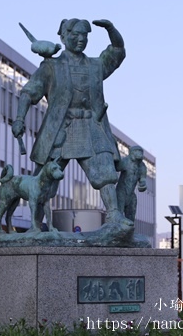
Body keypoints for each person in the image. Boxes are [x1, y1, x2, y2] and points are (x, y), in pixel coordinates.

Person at [11, 18, 128, 225]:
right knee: (43, 181)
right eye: (75, 35)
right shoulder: (51, 67)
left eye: (84, 35)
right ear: (63, 37)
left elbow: (118, 50)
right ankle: (37, 225)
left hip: (92, 126)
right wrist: (20, 118)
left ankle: (114, 216)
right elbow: (29, 93)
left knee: (105, 172)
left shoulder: (95, 66)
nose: (81, 39)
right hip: (60, 130)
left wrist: (110, 29)